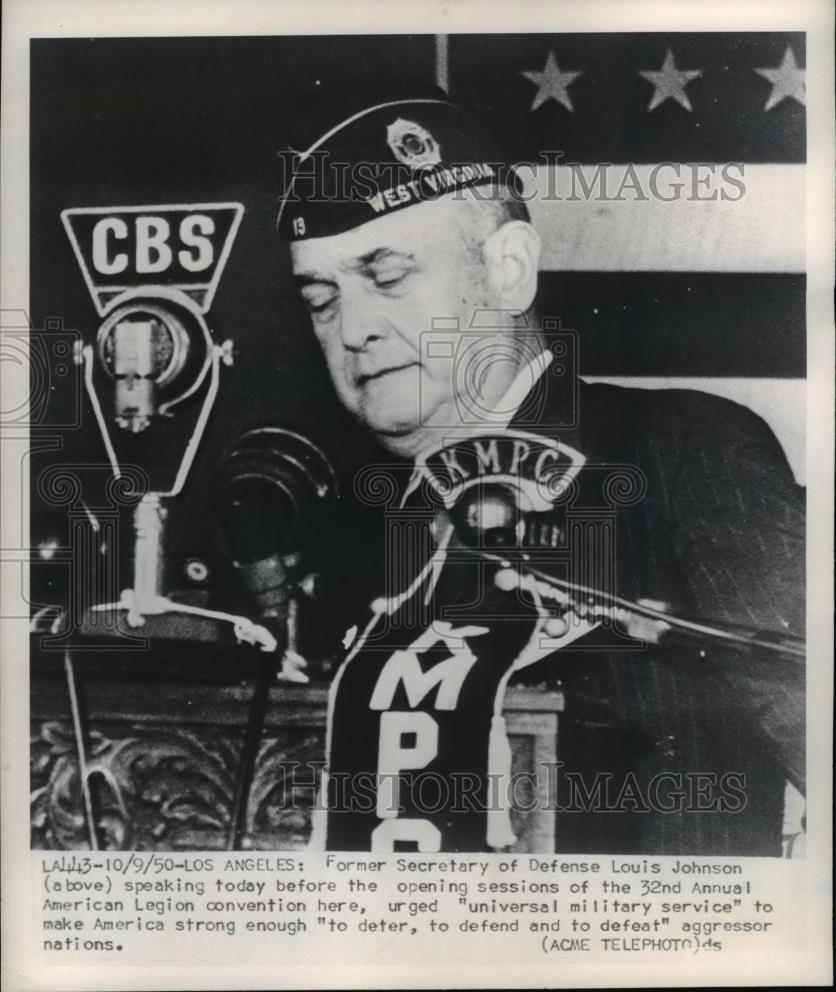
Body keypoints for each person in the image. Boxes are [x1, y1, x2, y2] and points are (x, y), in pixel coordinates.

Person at [278, 81, 805, 855]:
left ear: (510, 268)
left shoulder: (683, 454)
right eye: (322, 298)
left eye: (387, 277)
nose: (352, 329)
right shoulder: (349, 525)